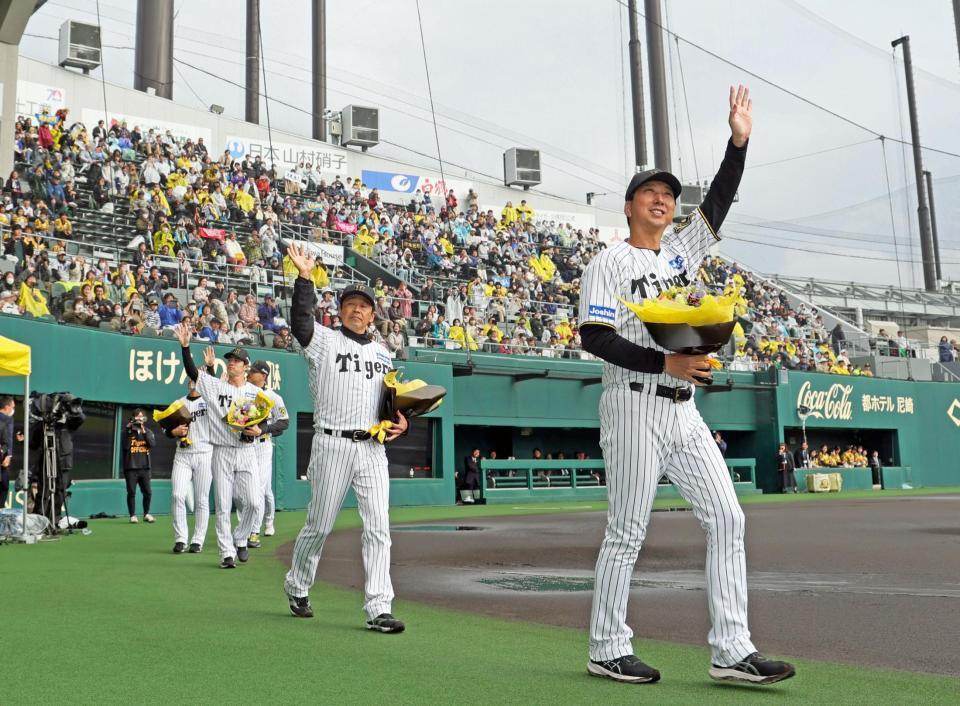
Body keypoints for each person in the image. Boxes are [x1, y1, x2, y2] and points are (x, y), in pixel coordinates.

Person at [577, 86, 794, 686]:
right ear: (628, 206)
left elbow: (719, 202)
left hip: (684, 409)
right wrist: (663, 366)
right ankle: (606, 645)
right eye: (650, 192)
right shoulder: (609, 262)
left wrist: (739, 143)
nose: (662, 200)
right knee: (628, 530)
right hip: (633, 404)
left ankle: (732, 650)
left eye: (669, 195)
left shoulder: (678, 254)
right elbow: (593, 336)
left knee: (727, 518)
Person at [281, 242, 409, 633]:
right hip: (332, 442)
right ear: (340, 311)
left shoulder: (384, 353)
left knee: (378, 528)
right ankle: (298, 584)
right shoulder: (322, 340)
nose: (357, 310)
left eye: (364, 306)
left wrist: (401, 421)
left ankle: (378, 607)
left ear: (372, 314)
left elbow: (389, 402)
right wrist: (304, 278)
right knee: (319, 524)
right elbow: (301, 323)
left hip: (372, 447)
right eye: (351, 304)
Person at [174, 329, 264, 569]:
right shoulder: (216, 386)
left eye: (235, 361)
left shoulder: (255, 393)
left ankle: (241, 538)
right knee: (223, 506)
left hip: (247, 452)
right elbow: (194, 373)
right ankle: (227, 553)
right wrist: (185, 347)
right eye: (229, 360)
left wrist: (261, 429)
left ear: (245, 366)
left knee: (254, 503)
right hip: (222, 451)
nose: (231, 363)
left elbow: (270, 419)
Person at [166, 380, 214, 554]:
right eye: (191, 378)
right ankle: (180, 539)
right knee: (177, 494)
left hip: (205, 453)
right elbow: (167, 429)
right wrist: (173, 432)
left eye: (197, 378)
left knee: (201, 499)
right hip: (183, 454)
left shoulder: (210, 402)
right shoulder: (179, 403)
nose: (193, 381)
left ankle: (198, 540)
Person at [246, 360, 290, 546]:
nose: (250, 373)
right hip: (246, 445)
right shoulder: (245, 393)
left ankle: (258, 528)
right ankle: (246, 527)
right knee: (246, 490)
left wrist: (264, 429)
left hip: (263, 445)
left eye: (254, 372)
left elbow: (284, 422)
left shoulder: (273, 397)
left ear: (263, 376)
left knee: (262, 490)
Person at [122, 409, 156, 523]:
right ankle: (132, 515)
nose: (139, 419)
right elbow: (126, 446)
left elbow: (152, 444)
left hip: (145, 468)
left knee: (148, 492)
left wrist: (143, 432)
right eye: (137, 417)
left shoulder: (148, 431)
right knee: (131, 492)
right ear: (133, 418)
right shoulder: (126, 432)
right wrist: (128, 429)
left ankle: (146, 514)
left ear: (144, 419)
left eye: (141, 417)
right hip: (131, 468)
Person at [0, 396, 23, 509]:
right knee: (4, 485)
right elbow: (8, 438)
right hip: (3, 458)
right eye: (13, 407)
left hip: (3, 456)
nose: (14, 410)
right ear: (7, 406)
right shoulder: (7, 420)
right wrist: (8, 455)